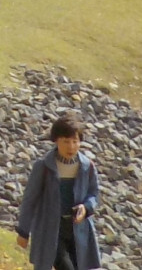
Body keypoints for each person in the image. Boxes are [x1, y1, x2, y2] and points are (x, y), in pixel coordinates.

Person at [15, 114, 102, 270]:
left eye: (75, 142)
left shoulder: (87, 166)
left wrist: (86, 207)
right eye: (66, 141)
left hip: (78, 229)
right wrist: (23, 231)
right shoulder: (43, 167)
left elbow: (94, 194)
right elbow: (30, 200)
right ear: (56, 140)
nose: (71, 147)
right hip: (51, 230)